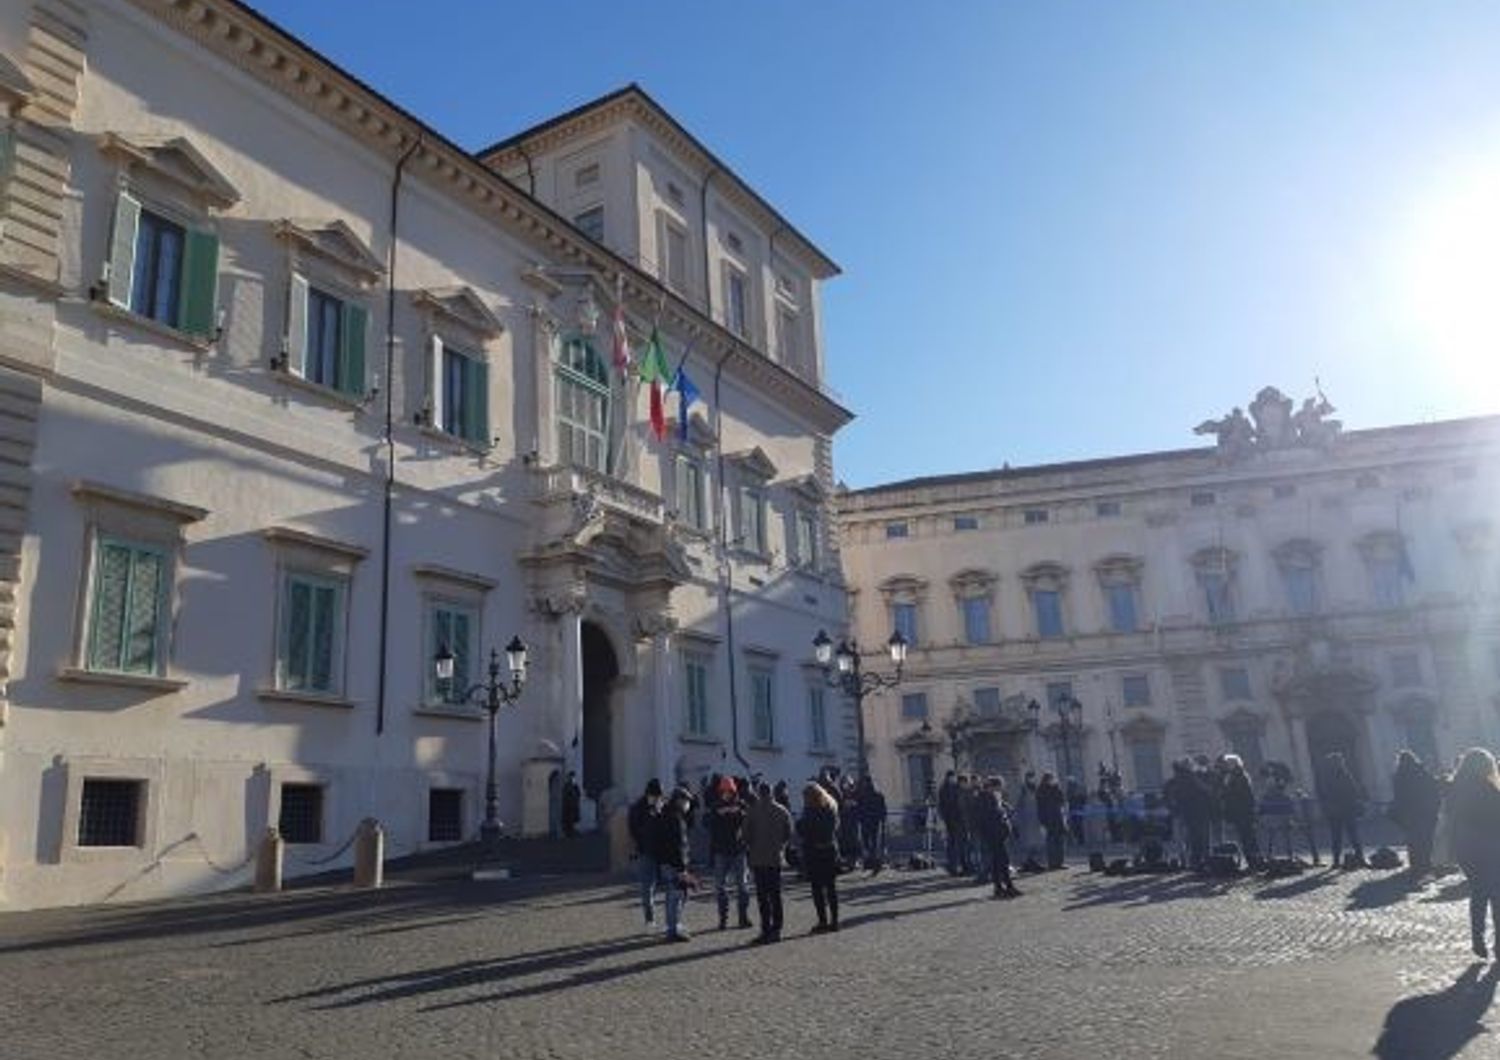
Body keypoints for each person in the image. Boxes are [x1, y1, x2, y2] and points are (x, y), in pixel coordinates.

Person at [1445, 748, 1500, 959]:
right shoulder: (1489, 789)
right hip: (1490, 846)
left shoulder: (1455, 788)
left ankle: (1477, 939)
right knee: (1497, 896)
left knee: (1478, 892)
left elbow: (1451, 817)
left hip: (1465, 847)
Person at [744, 780, 794, 944]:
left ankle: (765, 929)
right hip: (775, 858)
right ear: (771, 792)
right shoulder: (782, 811)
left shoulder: (752, 811)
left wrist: (752, 846)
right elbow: (789, 832)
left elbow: (746, 835)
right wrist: (781, 845)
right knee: (776, 895)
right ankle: (777, 929)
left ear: (759, 793)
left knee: (762, 897)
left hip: (758, 859)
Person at [708, 776, 752, 930]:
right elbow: (708, 824)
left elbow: (748, 822)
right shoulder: (715, 806)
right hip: (721, 851)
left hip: (738, 850)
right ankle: (723, 919)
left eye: (729, 791)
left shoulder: (741, 805)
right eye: (724, 791)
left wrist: (738, 813)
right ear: (720, 792)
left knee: (743, 886)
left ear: (734, 792)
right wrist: (719, 814)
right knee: (720, 887)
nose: (726, 794)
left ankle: (743, 917)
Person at [797, 781, 842, 933]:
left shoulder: (810, 811)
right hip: (830, 850)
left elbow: (804, 830)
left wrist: (800, 825)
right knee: (831, 888)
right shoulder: (831, 808)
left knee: (817, 889)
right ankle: (834, 921)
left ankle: (823, 921)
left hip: (815, 853)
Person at [652, 786, 695, 942]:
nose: (687, 804)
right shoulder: (674, 818)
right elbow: (676, 845)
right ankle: (672, 929)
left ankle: (674, 925)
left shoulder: (669, 815)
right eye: (686, 800)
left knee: (678, 895)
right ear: (679, 800)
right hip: (674, 863)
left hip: (668, 862)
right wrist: (681, 867)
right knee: (676, 896)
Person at [1390, 750, 1442, 874]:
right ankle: (1426, 862)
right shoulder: (1420, 771)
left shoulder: (1398, 775)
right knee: (1427, 838)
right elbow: (1432, 787)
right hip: (1425, 810)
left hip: (1409, 813)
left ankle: (1416, 864)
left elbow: (1399, 796)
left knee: (1413, 839)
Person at [1319, 752, 1367, 869]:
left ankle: (1336, 861)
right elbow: (1353, 790)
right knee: (1352, 836)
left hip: (1335, 810)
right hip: (1345, 809)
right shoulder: (1344, 774)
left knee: (1337, 837)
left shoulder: (1326, 775)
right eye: (1341, 760)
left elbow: (1324, 793)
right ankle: (1360, 859)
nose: (1342, 762)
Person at [627, 779, 663, 931]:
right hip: (646, 851)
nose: (657, 799)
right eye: (656, 796)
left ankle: (655, 918)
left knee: (654, 886)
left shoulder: (657, 806)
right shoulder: (639, 809)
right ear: (650, 794)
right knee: (647, 887)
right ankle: (650, 919)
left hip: (659, 852)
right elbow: (634, 829)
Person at [976, 776, 1021, 899]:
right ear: (993, 787)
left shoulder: (993, 798)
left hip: (998, 835)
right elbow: (991, 817)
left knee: (997, 863)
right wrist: (1002, 812)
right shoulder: (986, 798)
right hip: (993, 836)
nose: (1001, 789)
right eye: (999, 787)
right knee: (1002, 861)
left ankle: (1000, 888)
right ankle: (1006, 887)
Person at [1164, 760, 1211, 870]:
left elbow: (1169, 798)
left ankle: (1191, 860)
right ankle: (1194, 860)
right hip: (1188, 813)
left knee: (1188, 839)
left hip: (1186, 813)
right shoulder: (1190, 779)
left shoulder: (1176, 782)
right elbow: (1204, 793)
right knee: (1191, 838)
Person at [1220, 754, 1262, 870]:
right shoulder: (1234, 776)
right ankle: (1254, 861)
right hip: (1241, 812)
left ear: (1234, 764)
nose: (1227, 765)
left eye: (1228, 763)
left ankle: (1254, 862)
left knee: (1248, 838)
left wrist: (1226, 792)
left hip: (1242, 812)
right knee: (1247, 838)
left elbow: (1239, 795)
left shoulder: (1238, 776)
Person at [1036, 772, 1068, 869]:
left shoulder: (1056, 789)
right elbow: (1040, 807)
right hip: (1049, 820)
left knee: (1060, 841)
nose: (1053, 780)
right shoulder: (1041, 790)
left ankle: (1060, 862)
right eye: (1051, 779)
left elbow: (1062, 800)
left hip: (1058, 818)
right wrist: (1042, 821)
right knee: (1051, 842)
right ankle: (1052, 863)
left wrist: (1057, 787)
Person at [857, 776, 888, 872]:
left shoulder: (863, 795)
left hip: (868, 821)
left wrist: (861, 818)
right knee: (874, 843)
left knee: (869, 843)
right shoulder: (877, 795)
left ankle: (870, 863)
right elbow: (883, 809)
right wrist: (883, 820)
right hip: (874, 821)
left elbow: (860, 809)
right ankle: (874, 863)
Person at [938, 772, 964, 876]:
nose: (953, 779)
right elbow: (946, 805)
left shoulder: (949, 787)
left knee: (955, 844)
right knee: (953, 844)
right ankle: (953, 866)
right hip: (952, 820)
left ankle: (955, 866)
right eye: (952, 777)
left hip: (954, 819)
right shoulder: (946, 789)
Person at [561, 771, 581, 838]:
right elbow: (566, 794)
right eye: (571, 777)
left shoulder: (575, 785)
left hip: (573, 804)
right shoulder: (567, 785)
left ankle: (571, 831)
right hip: (568, 805)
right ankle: (568, 832)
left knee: (572, 819)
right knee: (568, 819)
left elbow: (578, 793)